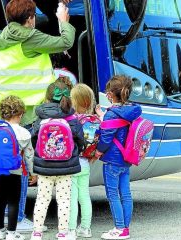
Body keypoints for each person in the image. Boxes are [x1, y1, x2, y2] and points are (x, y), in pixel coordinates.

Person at [0, 0, 75, 232]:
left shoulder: (2, 38)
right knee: (20, 164)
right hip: (19, 111)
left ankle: (2, 217)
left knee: (3, 165)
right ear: (30, 18)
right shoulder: (28, 37)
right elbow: (66, 41)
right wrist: (63, 21)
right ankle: (17, 218)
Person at [31, 79, 84, 240]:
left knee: (42, 199)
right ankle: (62, 232)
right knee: (64, 200)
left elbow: (34, 139)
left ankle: (37, 232)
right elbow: (80, 140)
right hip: (66, 166)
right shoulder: (71, 118)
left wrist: (39, 154)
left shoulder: (41, 118)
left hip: (44, 165)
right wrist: (75, 152)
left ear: (47, 98)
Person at [92, 75, 142, 240]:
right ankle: (125, 228)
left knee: (113, 194)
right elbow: (116, 127)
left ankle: (119, 228)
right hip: (126, 158)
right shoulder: (130, 111)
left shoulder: (112, 114)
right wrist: (102, 115)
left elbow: (106, 137)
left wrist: (98, 152)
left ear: (111, 94)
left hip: (113, 159)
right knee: (126, 194)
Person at [0, 95, 37, 240]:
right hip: (15, 172)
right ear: (20, 114)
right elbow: (29, 156)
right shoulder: (24, 133)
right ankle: (12, 234)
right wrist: (33, 173)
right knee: (14, 202)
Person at [68, 84, 97, 239]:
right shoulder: (95, 120)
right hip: (86, 162)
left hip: (72, 162)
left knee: (72, 197)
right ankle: (85, 228)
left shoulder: (72, 120)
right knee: (84, 196)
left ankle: (71, 229)